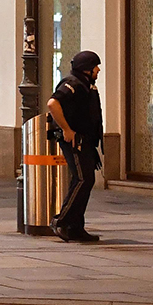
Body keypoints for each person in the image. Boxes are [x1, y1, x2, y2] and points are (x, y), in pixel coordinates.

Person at [48, 49, 104, 243]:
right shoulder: (72, 84)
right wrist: (67, 129)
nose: (98, 69)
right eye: (95, 66)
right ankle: (61, 221)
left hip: (86, 140)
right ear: (86, 69)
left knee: (86, 180)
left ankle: (75, 227)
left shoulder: (87, 85)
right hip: (75, 140)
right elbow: (53, 103)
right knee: (82, 179)